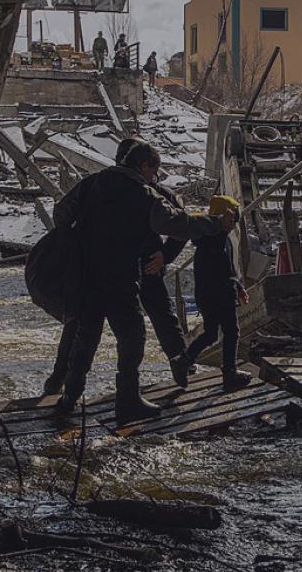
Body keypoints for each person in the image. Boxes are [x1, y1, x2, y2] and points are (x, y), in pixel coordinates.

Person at [55, 140, 231, 422]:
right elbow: (177, 224)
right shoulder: (144, 195)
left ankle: (69, 397)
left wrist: (80, 239)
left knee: (85, 337)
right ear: (143, 165)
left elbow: (61, 214)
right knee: (132, 338)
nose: (155, 177)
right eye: (154, 170)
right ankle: (127, 400)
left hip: (86, 276)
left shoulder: (92, 183)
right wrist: (215, 224)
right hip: (120, 278)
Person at [42, 142, 194, 396]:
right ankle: (64, 381)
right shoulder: (109, 187)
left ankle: (182, 370)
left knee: (155, 320)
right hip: (118, 268)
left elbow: (182, 225)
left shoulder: (144, 190)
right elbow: (185, 224)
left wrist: (165, 256)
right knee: (108, 329)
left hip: (143, 265)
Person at [170, 196, 252, 390]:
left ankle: (183, 360)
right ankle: (229, 373)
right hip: (218, 294)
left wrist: (239, 287)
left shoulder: (220, 239)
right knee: (232, 332)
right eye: (231, 219)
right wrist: (231, 289)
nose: (233, 224)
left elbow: (229, 268)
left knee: (211, 334)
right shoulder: (212, 239)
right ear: (220, 217)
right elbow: (220, 271)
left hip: (210, 294)